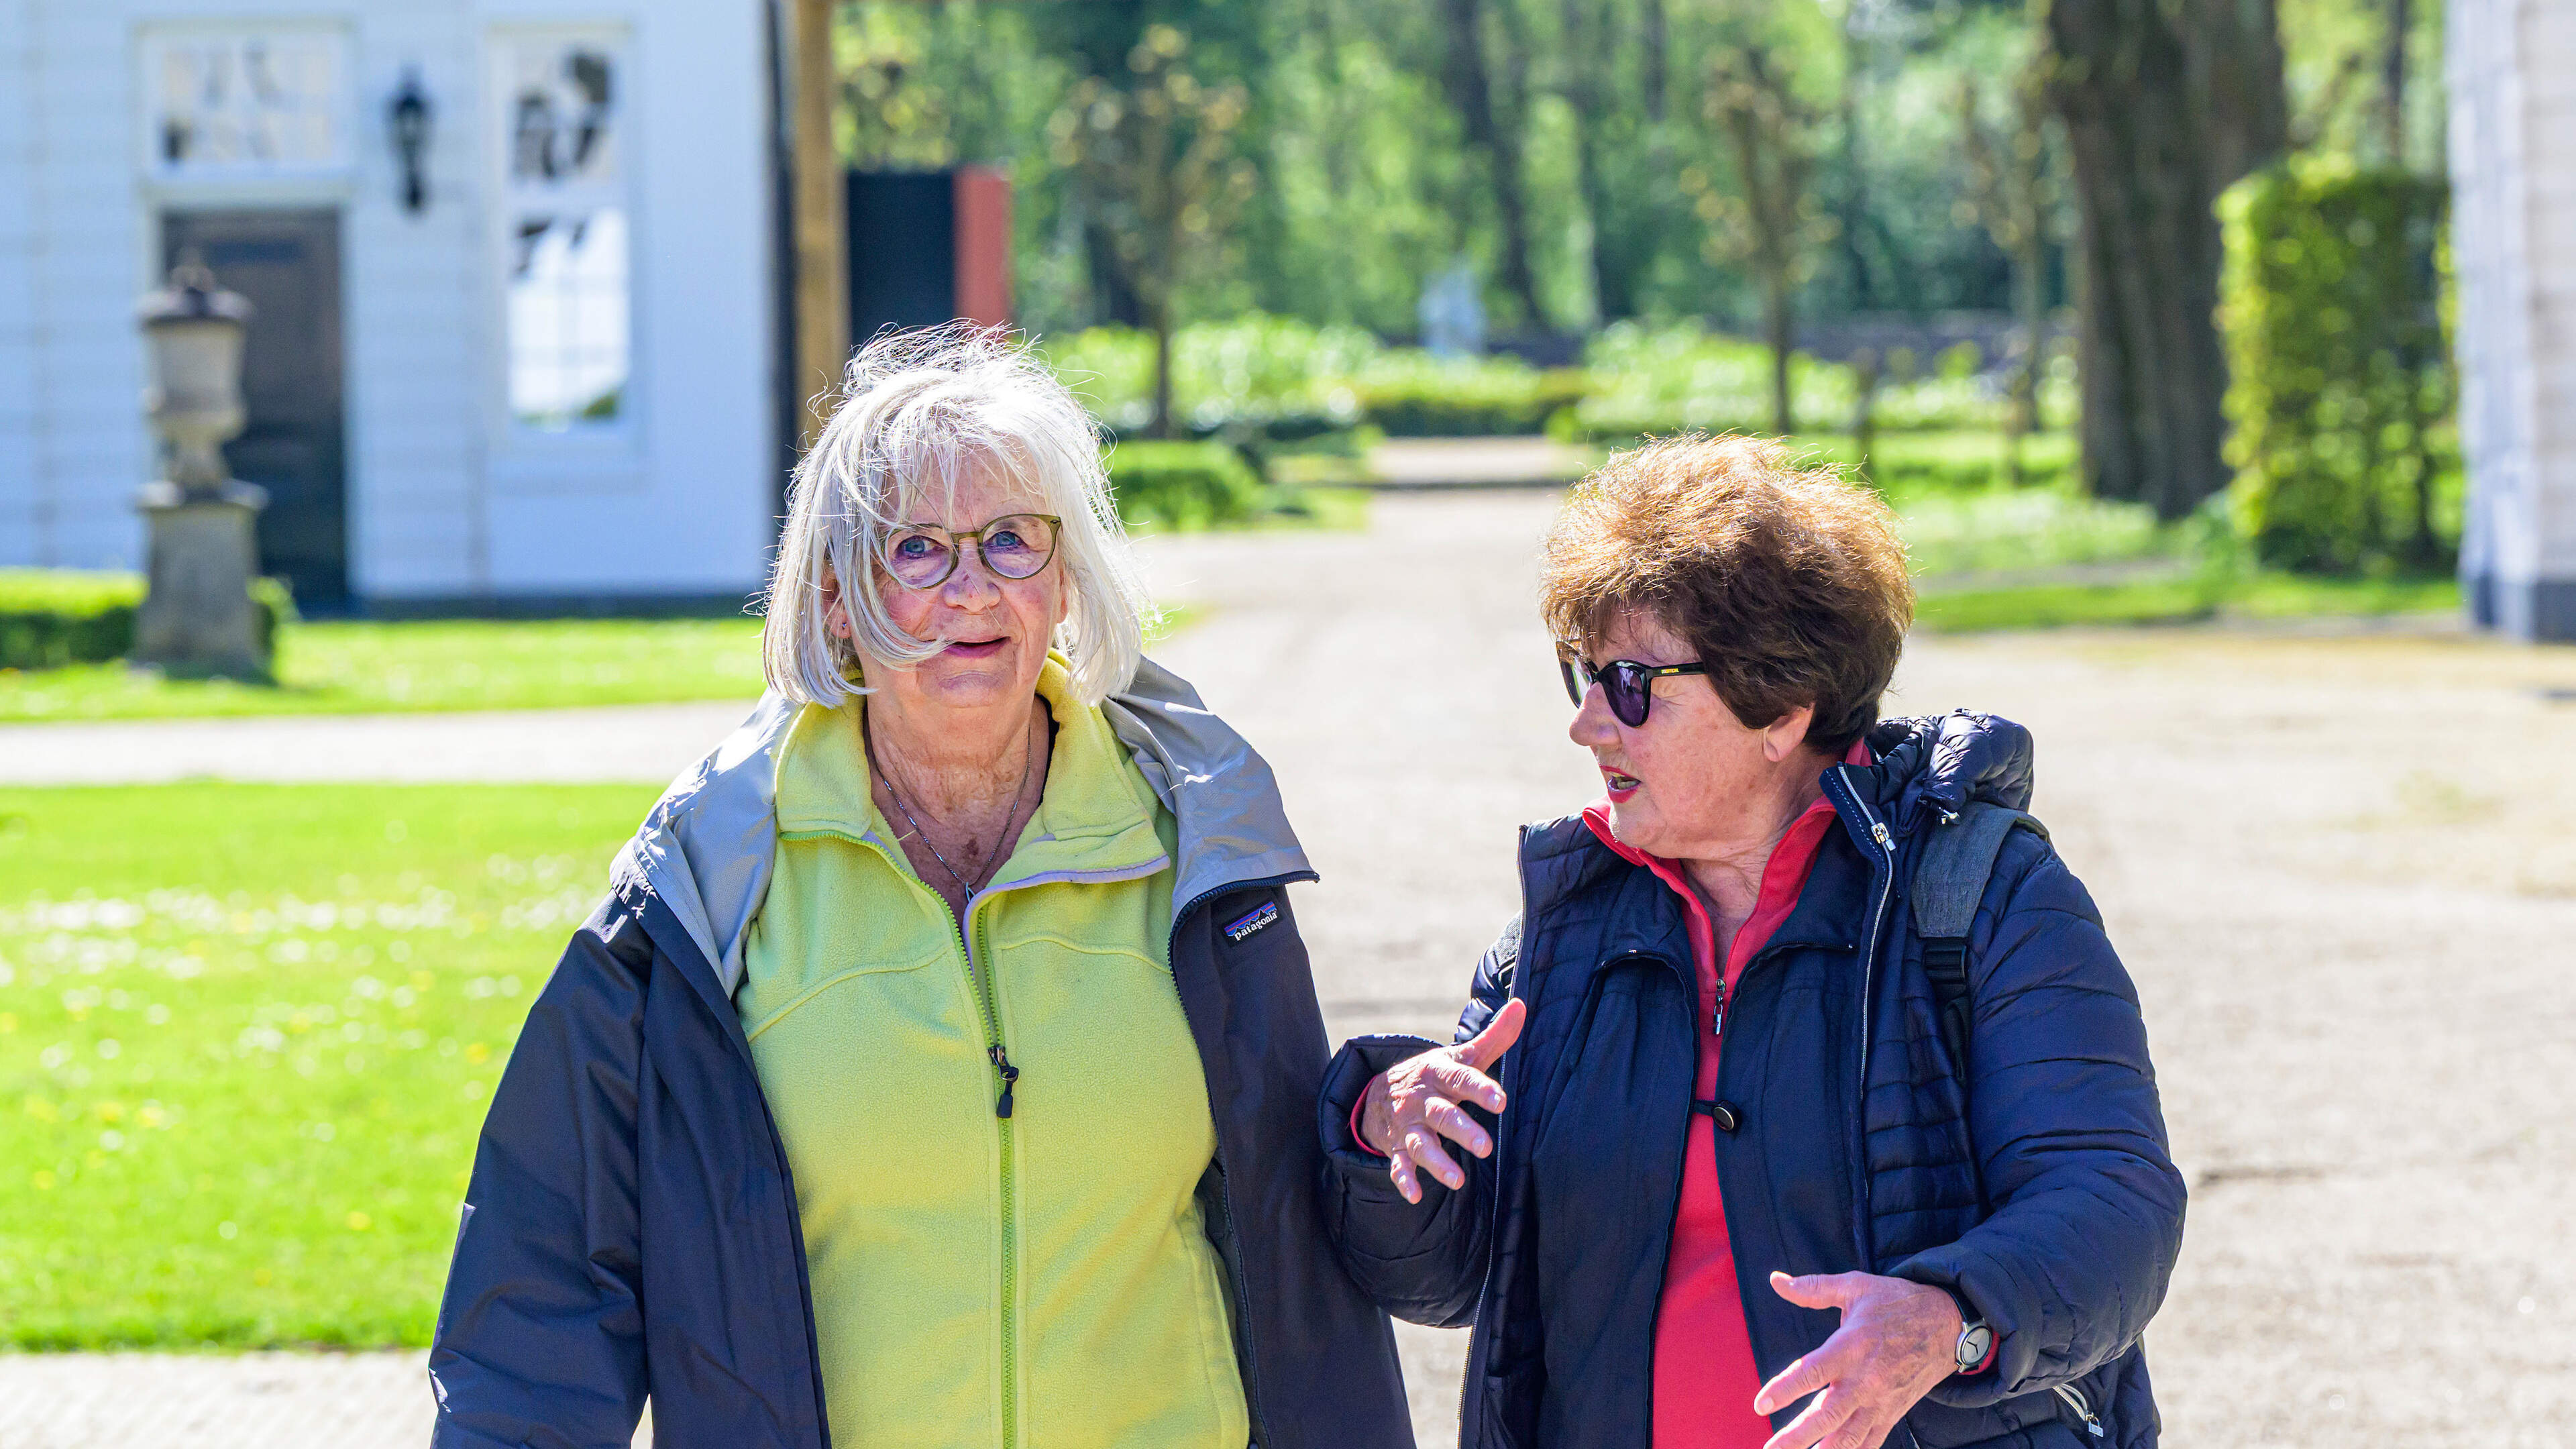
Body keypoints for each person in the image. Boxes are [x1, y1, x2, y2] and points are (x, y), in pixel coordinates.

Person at [429, 327, 1411, 1449]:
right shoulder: (710, 884)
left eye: (1009, 541)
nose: (972, 590)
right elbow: (547, 1278)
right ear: (837, 597)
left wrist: (1379, 1130)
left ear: (1064, 577)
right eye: (916, 549)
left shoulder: (1197, 845)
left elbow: (1304, 1236)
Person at [1318, 437, 2186, 1449]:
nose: (1591, 726)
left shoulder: (1983, 898)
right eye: (1583, 678)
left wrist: (1952, 1319)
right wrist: (1390, 1138)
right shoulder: (1558, 938)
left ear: (1780, 706)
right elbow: (1449, 1279)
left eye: (1633, 684)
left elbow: (2113, 1206)